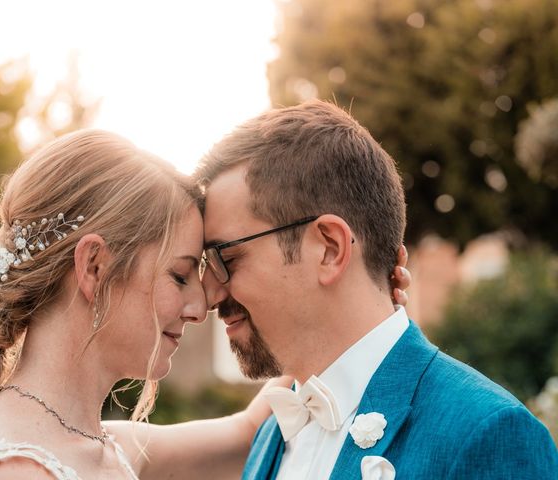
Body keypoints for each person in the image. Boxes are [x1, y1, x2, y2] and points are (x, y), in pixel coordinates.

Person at [0, 129, 410, 479]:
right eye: (180, 274)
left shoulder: (100, 443)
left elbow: (249, 432)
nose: (200, 304)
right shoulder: (19, 472)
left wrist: (361, 300)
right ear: (95, 267)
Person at [195, 100, 558, 479]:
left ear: (330, 248)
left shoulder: (487, 432)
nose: (209, 293)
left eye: (227, 258)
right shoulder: (273, 434)